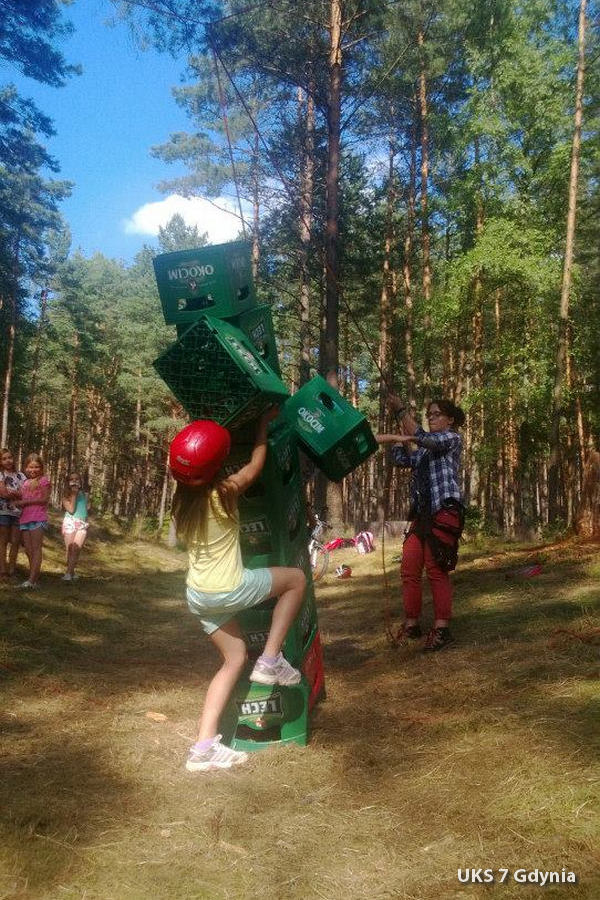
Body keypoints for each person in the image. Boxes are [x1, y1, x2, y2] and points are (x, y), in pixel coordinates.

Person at [170, 408, 306, 773]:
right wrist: (261, 426)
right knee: (296, 580)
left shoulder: (180, 504)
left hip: (198, 596)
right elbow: (255, 466)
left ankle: (203, 749)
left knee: (233, 659)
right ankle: (271, 659)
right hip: (228, 588)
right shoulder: (224, 493)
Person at [377, 396, 465, 651]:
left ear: (450, 420)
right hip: (422, 514)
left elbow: (424, 438)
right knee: (409, 567)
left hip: (444, 510)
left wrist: (401, 412)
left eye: (437, 414)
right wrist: (399, 437)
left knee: (436, 569)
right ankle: (412, 624)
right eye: (429, 415)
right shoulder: (425, 451)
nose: (431, 418)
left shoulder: (451, 438)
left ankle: (442, 629)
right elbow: (402, 459)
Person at [16, 453, 51, 589]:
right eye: (30, 467)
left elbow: (44, 499)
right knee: (28, 550)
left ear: (41, 468)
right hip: (25, 518)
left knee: (36, 549)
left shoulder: (43, 481)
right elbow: (21, 497)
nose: (33, 470)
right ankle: (34, 578)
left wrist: (25, 502)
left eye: (36, 467)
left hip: (38, 518)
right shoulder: (25, 483)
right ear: (25, 468)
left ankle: (31, 580)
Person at [0, 448, 26, 578]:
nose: (8, 461)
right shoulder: (0, 474)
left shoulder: (21, 476)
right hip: (3, 512)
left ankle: (12, 570)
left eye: (9, 457)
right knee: (3, 541)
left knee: (15, 542)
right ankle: (3, 570)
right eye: (4, 459)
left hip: (18, 513)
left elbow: (25, 494)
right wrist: (17, 493)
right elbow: (3, 494)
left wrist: (13, 493)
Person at [61, 472, 89, 581]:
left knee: (76, 549)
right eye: (72, 479)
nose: (74, 481)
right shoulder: (65, 496)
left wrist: (86, 522)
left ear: (80, 481)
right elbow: (71, 510)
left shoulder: (85, 494)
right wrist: (73, 494)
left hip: (82, 523)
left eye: (77, 479)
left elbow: (85, 510)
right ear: (68, 482)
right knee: (70, 549)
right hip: (70, 522)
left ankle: (70, 572)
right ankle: (70, 573)